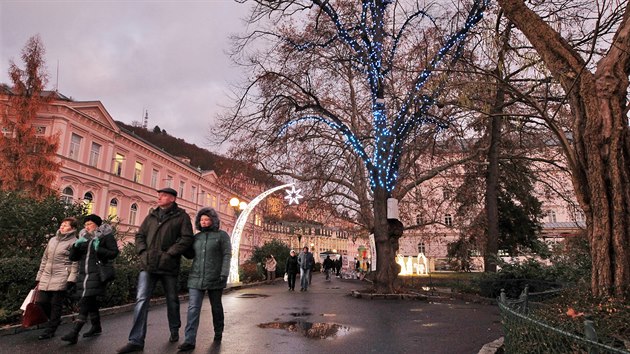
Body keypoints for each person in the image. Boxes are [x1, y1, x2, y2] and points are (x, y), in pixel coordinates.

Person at [117, 187, 194, 354]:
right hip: (148, 264)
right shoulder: (151, 215)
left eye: (164, 195)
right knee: (141, 299)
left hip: (168, 265)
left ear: (172, 199)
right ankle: (136, 340)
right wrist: (142, 252)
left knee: (172, 300)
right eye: (159, 195)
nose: (159, 197)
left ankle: (174, 328)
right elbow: (140, 236)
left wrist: (170, 254)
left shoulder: (182, 217)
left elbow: (187, 238)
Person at [177, 207, 231, 352]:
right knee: (193, 308)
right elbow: (190, 255)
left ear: (213, 220)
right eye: (202, 220)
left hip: (215, 276)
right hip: (196, 277)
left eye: (207, 219)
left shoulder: (222, 236)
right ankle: (189, 340)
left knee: (216, 307)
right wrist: (183, 246)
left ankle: (218, 331)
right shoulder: (197, 237)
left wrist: (224, 272)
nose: (204, 222)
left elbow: (227, 255)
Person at [61, 214, 119, 344]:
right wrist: (76, 246)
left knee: (85, 301)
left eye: (90, 224)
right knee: (90, 301)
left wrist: (99, 249)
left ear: (97, 225)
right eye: (85, 224)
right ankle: (96, 326)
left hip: (98, 274)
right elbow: (73, 258)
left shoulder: (106, 236)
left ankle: (75, 332)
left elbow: (114, 253)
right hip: (84, 274)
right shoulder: (84, 238)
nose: (87, 227)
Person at [35, 217, 79, 340]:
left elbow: (75, 262)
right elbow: (45, 259)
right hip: (47, 275)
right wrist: (39, 276)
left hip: (62, 275)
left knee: (56, 304)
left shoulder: (75, 242)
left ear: (73, 228)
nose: (62, 226)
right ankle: (55, 320)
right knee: (41, 302)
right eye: (62, 224)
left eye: (66, 225)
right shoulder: (52, 240)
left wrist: (71, 278)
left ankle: (50, 330)